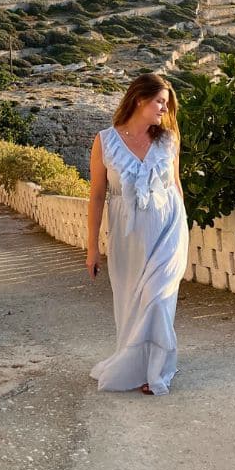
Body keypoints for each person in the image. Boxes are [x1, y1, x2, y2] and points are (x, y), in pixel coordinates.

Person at [86, 72, 189, 395]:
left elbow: (176, 185)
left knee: (158, 301)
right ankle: (137, 365)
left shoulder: (168, 140)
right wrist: (92, 247)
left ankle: (158, 372)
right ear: (140, 99)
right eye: (159, 102)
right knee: (133, 305)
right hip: (126, 238)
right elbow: (97, 196)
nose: (164, 109)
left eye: (166, 103)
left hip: (167, 230)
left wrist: (183, 229)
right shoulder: (105, 141)